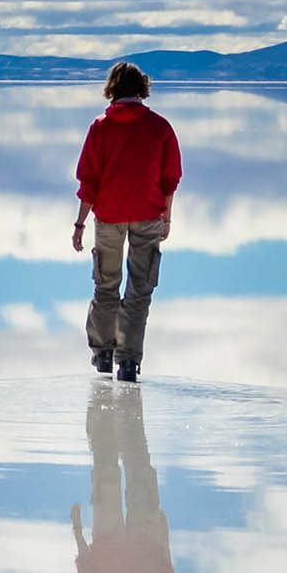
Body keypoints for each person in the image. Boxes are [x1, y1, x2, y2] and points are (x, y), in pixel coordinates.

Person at [72, 60, 181, 380]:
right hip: (148, 216)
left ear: (112, 89)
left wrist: (79, 224)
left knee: (105, 286)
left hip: (108, 217)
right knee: (140, 290)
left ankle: (103, 353)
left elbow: (87, 181)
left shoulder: (100, 126)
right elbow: (169, 179)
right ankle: (129, 362)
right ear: (142, 89)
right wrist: (167, 217)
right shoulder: (160, 127)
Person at [71, 381, 176, 573]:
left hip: (135, 541)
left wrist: (164, 535)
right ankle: (115, 413)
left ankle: (122, 413)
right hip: (118, 541)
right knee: (113, 470)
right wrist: (77, 531)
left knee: (134, 467)